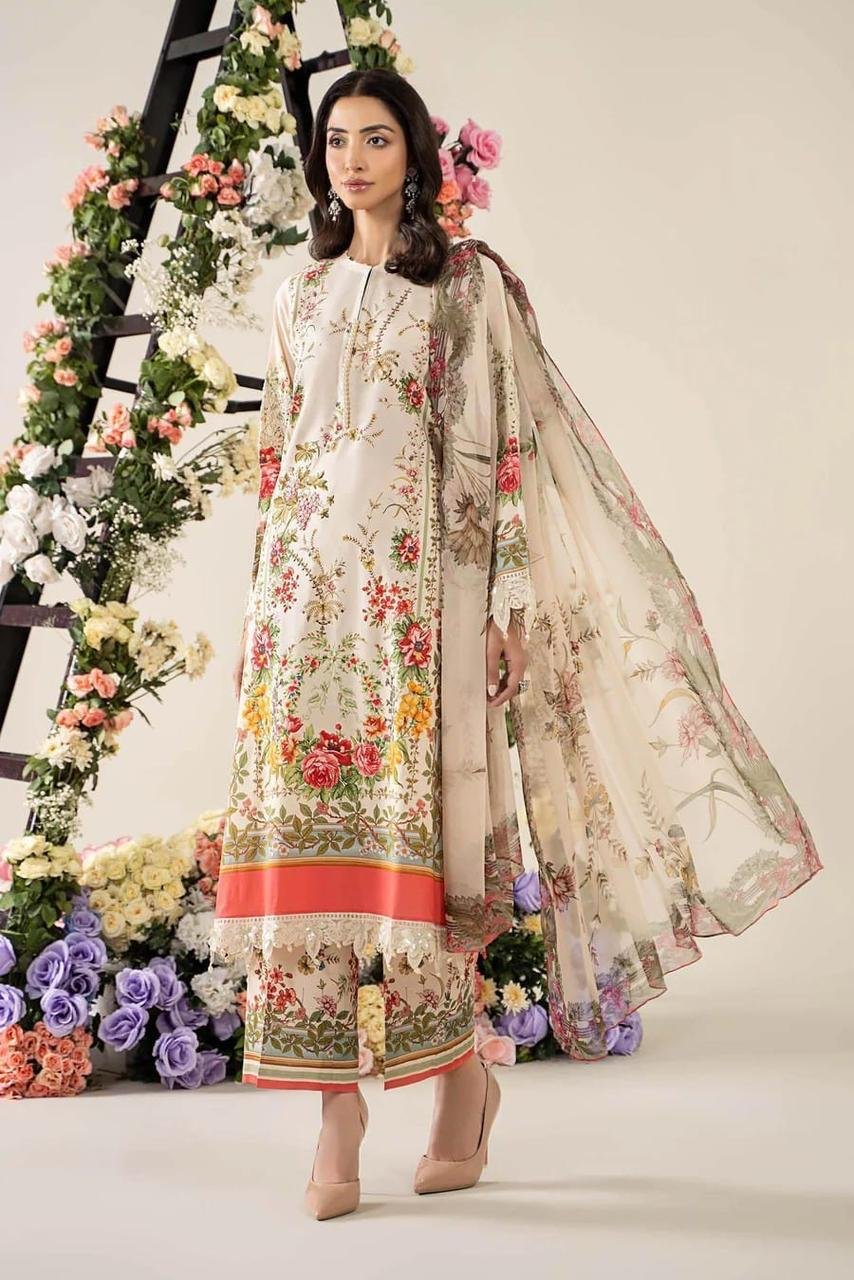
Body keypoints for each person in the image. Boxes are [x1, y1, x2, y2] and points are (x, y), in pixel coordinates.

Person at [209, 67, 822, 1221]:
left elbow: (500, 453)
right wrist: (260, 618)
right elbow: (281, 461)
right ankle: (333, 1112)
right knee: (299, 861)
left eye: (375, 139)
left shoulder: (464, 286)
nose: (352, 160)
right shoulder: (297, 294)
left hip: (419, 610)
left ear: (415, 153)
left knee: (425, 856)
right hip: (302, 612)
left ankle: (456, 1086)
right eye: (336, 140)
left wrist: (501, 607)